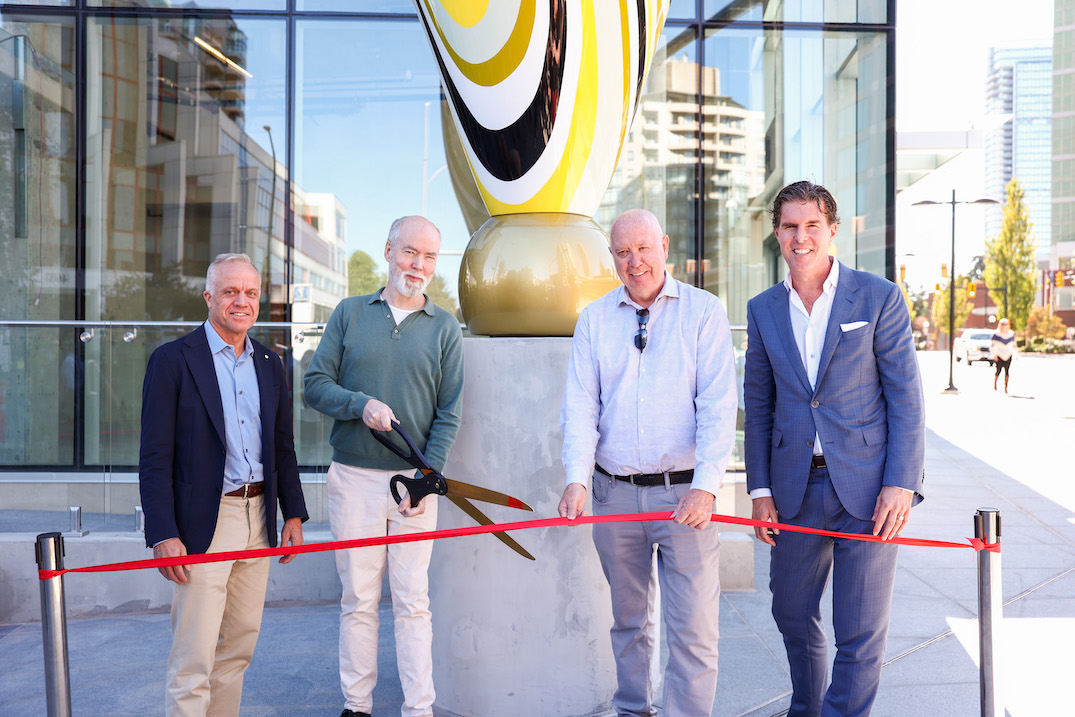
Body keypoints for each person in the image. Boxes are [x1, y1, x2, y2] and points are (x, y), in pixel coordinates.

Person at [744, 181, 925, 717]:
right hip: (794, 488)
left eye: (812, 226)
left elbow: (907, 400)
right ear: (777, 233)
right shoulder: (763, 309)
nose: (801, 237)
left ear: (832, 231)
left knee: (860, 630)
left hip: (868, 489)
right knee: (792, 614)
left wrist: (902, 482)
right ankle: (807, 707)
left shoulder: (878, 297)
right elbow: (759, 406)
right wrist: (760, 489)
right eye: (790, 226)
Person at [559, 209, 738, 717]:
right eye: (622, 252)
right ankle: (634, 710)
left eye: (643, 248)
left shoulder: (703, 312)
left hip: (685, 496)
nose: (634, 261)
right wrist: (576, 478)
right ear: (612, 257)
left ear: (664, 246)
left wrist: (706, 486)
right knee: (629, 622)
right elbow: (580, 407)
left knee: (694, 630)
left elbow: (720, 406)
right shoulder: (593, 320)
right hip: (612, 493)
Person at [304, 216, 464, 717]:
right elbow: (314, 385)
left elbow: (450, 411)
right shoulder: (349, 313)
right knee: (359, 600)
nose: (418, 264)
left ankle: (419, 709)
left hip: (414, 488)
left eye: (430, 256)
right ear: (389, 249)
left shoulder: (444, 328)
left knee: (414, 603)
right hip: (353, 481)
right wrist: (359, 403)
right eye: (410, 252)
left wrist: (424, 481)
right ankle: (357, 706)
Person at [139, 253, 308, 717]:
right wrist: (162, 532)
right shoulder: (172, 361)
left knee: (236, 652)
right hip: (203, 523)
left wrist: (292, 514)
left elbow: (282, 446)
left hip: (259, 519)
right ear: (209, 296)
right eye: (230, 291)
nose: (241, 301)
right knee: (193, 659)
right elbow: (153, 458)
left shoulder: (271, 363)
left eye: (250, 293)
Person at [990, 318, 1017, 393]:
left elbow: (1014, 345)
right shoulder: (996, 334)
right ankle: (995, 384)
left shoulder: (1011, 333)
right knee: (998, 371)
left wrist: (1016, 354)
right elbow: (992, 346)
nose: (1004, 326)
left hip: (1008, 355)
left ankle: (1006, 387)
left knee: (1007, 371)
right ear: (1000, 325)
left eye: (1006, 324)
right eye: (1003, 324)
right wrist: (994, 355)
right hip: (999, 355)